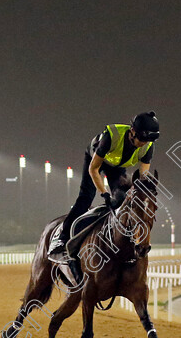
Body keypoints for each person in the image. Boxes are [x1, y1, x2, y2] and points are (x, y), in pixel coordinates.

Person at [48, 111, 160, 279]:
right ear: (132, 132)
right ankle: (62, 239)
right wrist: (104, 193)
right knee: (86, 197)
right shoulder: (111, 136)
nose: (143, 144)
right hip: (96, 159)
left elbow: (141, 180)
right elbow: (94, 169)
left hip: (116, 165)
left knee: (121, 198)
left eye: (147, 141)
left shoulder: (148, 146)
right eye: (141, 140)